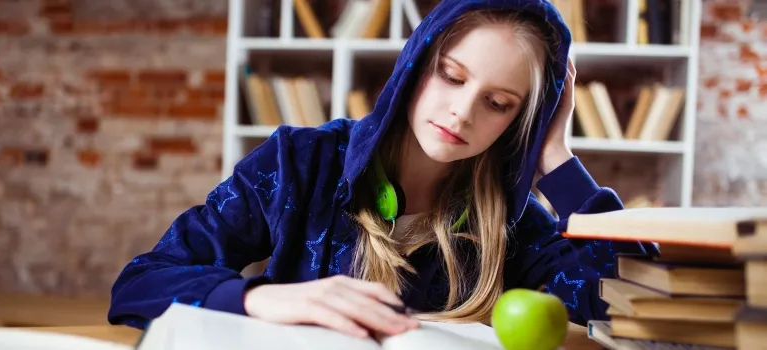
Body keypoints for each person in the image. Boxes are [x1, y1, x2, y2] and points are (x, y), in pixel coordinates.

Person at [108, 0, 657, 339]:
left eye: (498, 104)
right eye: (451, 76)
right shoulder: (299, 163)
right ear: (415, 66)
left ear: (520, 123)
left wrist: (556, 160)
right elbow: (141, 283)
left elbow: (647, 304)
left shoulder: (512, 223)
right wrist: (260, 298)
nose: (462, 112)